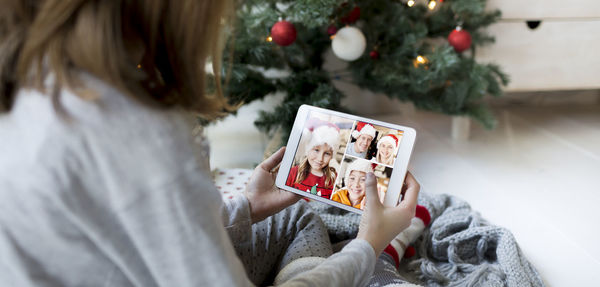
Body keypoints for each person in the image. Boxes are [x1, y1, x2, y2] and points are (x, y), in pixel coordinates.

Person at [0, 0, 425, 286]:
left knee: (296, 216)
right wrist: (367, 245)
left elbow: (134, 223)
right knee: (363, 256)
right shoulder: (135, 129)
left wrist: (248, 208)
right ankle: (382, 256)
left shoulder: (32, 78)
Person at [286, 120, 339, 199]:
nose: (320, 158)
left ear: (332, 156)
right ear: (308, 150)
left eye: (327, 153)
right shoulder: (293, 173)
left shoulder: (333, 178)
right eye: (316, 150)